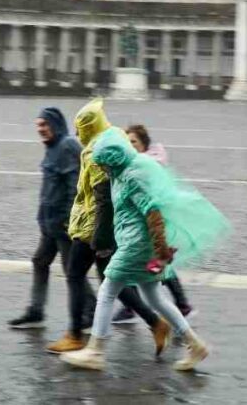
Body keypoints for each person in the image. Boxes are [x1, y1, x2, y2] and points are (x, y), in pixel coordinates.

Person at [62, 127, 230, 372]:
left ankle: (95, 351)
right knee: (154, 298)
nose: (102, 169)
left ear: (113, 159)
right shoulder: (120, 175)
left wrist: (161, 249)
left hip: (136, 246)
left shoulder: (132, 175)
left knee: (108, 290)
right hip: (139, 245)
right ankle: (195, 345)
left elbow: (152, 211)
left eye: (103, 164)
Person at [60, 99, 170, 354]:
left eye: (81, 127)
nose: (77, 134)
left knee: (75, 274)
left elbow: (101, 197)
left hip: (93, 227)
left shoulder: (95, 150)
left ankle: (77, 334)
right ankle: (155, 323)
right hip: (108, 226)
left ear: (89, 126)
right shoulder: (115, 135)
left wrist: (100, 238)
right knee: (110, 281)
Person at [8, 107, 82, 355]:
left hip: (63, 223)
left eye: (44, 124)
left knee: (73, 272)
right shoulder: (52, 147)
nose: (40, 129)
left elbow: (76, 186)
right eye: (38, 125)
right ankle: (36, 311)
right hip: (50, 223)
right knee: (40, 261)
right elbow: (49, 187)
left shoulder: (68, 146)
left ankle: (88, 314)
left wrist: (71, 220)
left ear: (56, 124)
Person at [109, 124, 194, 324]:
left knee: (150, 265)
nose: (129, 145)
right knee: (150, 266)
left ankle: (139, 308)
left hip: (150, 224)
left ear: (144, 145)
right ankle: (178, 305)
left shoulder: (146, 166)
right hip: (138, 225)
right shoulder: (135, 164)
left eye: (134, 142)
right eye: (127, 142)